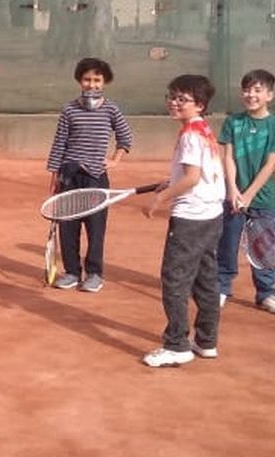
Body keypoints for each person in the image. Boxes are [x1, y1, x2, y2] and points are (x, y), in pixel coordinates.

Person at [142, 75, 226, 368]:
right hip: (212, 215)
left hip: (191, 218)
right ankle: (206, 341)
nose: (174, 103)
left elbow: (191, 178)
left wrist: (160, 199)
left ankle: (177, 345)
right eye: (172, 96)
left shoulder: (190, 135)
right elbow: (202, 172)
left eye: (182, 99)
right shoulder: (203, 129)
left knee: (175, 280)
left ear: (199, 105)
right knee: (205, 278)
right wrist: (171, 181)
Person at [44, 58, 134, 293]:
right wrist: (55, 178)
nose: (91, 84)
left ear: (104, 82)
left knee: (95, 228)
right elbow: (59, 144)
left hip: (95, 178)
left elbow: (125, 137)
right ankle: (72, 272)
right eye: (87, 79)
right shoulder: (69, 109)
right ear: (79, 81)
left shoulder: (111, 109)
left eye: (97, 80)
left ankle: (94, 274)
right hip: (69, 176)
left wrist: (115, 160)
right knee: (68, 227)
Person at [217, 69, 275, 314]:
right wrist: (233, 189)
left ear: (269, 95)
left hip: (264, 199)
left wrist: (249, 195)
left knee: (263, 249)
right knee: (227, 244)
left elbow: (271, 164)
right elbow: (228, 157)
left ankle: (267, 294)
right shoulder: (233, 122)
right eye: (247, 90)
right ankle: (221, 288)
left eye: (258, 90)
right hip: (234, 198)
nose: (251, 95)